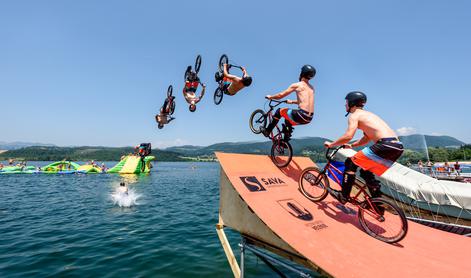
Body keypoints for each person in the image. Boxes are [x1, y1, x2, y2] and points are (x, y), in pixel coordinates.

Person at [324, 91, 404, 204]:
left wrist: (332, 144)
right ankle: (377, 205)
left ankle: (343, 195)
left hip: (385, 145)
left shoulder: (354, 115)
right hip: (397, 147)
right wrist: (352, 145)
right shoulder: (369, 115)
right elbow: (366, 139)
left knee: (350, 163)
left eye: (346, 102)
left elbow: (348, 135)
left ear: (352, 102)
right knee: (365, 172)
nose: (345, 105)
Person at [261, 65, 316, 140]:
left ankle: (267, 131)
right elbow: (303, 102)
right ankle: (285, 141)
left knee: (279, 111)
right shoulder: (311, 88)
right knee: (288, 120)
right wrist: (292, 102)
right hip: (309, 118)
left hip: (301, 114)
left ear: (302, 73)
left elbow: (280, 95)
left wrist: (271, 97)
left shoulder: (297, 85)